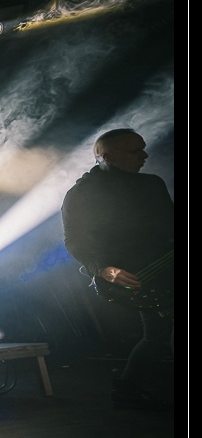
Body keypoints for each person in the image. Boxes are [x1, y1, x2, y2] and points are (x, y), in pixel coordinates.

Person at [61, 128, 174, 410]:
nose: (144, 155)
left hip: (167, 267)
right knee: (160, 331)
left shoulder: (152, 183)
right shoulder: (82, 194)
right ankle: (129, 388)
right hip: (131, 277)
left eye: (143, 148)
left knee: (156, 335)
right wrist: (104, 269)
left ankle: (128, 388)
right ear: (108, 156)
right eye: (135, 151)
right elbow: (74, 241)